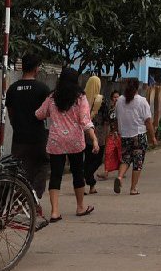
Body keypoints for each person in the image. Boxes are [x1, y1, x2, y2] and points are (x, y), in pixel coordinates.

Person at [35, 68, 98, 221]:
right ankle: (80, 207)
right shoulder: (80, 98)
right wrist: (94, 139)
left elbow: (39, 114)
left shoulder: (52, 97)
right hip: (75, 141)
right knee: (78, 173)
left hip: (56, 141)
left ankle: (55, 212)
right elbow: (85, 120)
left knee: (56, 175)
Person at [6, 54, 51, 200]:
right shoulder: (43, 89)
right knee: (41, 166)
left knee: (19, 169)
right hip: (38, 136)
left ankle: (21, 199)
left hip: (19, 137)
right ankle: (35, 199)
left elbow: (10, 113)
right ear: (36, 68)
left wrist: (17, 125)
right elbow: (47, 113)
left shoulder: (12, 89)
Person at [114, 79, 157, 195]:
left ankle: (119, 177)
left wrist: (117, 131)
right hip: (139, 135)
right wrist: (153, 137)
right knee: (137, 163)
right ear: (137, 87)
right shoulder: (142, 101)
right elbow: (148, 121)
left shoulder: (119, 101)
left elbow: (117, 118)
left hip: (125, 135)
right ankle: (133, 188)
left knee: (126, 159)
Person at [81, 75, 105, 195]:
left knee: (88, 159)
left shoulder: (81, 99)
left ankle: (91, 185)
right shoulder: (100, 100)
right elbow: (106, 118)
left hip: (84, 133)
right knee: (98, 159)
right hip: (98, 134)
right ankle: (86, 177)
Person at [98, 90, 121, 181]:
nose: (116, 99)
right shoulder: (110, 110)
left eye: (118, 97)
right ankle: (106, 172)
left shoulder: (123, 109)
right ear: (112, 99)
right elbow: (107, 122)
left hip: (120, 134)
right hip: (111, 134)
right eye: (115, 97)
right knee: (108, 152)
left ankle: (121, 170)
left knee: (120, 153)